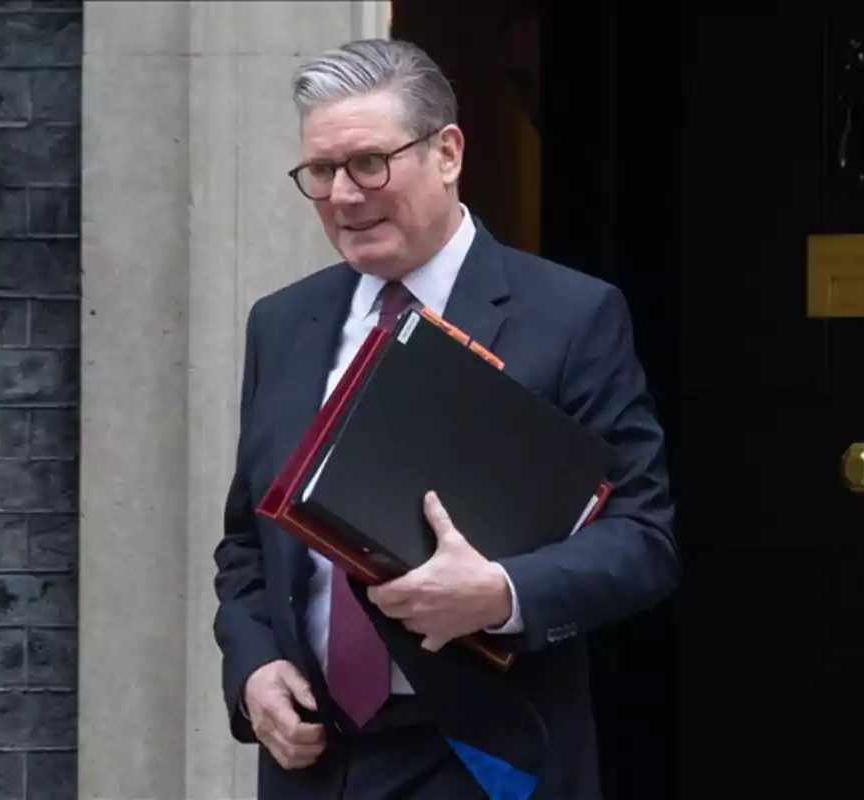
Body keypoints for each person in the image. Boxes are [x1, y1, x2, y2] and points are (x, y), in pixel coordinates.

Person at [212, 38, 679, 800]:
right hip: (314, 762)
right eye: (321, 172)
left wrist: (501, 592)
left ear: (448, 152)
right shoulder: (282, 322)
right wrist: (254, 666)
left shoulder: (571, 315)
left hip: (484, 755)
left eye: (368, 163)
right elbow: (246, 545)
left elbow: (644, 539)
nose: (343, 195)